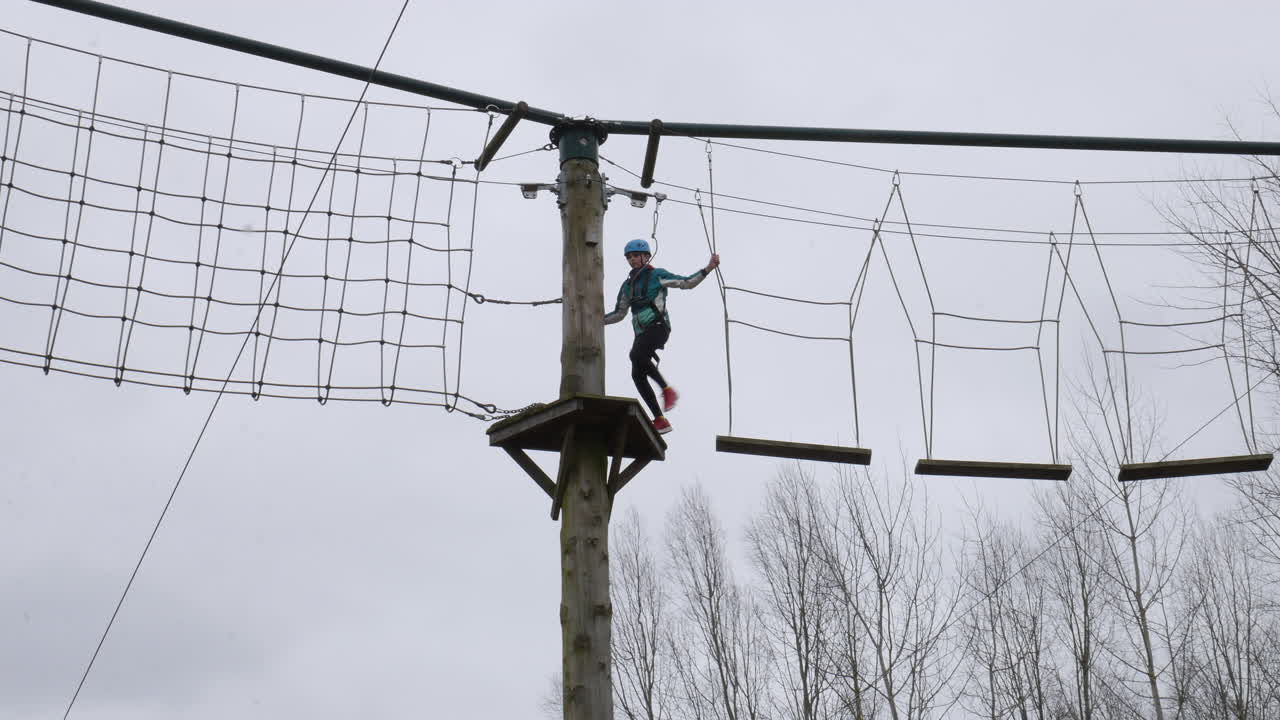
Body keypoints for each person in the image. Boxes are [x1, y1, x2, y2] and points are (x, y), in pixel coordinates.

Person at [604, 238, 720, 435]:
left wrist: (708, 268)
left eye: (636, 256)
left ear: (646, 257)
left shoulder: (656, 275)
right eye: (629, 257)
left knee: (636, 356)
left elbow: (686, 283)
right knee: (636, 373)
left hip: (658, 327)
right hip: (641, 333)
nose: (632, 260)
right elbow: (619, 313)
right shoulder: (627, 286)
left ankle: (667, 390)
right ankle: (660, 419)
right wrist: (595, 320)